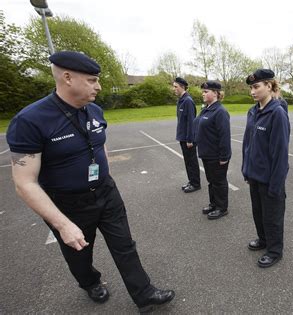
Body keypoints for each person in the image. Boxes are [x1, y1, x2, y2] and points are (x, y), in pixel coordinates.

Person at [6, 51, 174, 312]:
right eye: (92, 80)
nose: (99, 86)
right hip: (67, 204)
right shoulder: (29, 121)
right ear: (68, 77)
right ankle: (89, 282)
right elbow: (24, 183)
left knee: (125, 245)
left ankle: (144, 294)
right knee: (79, 253)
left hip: (106, 192)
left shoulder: (94, 110)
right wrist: (61, 224)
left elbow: (99, 146)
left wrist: (105, 176)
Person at [242, 69, 290, 268]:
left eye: (256, 87)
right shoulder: (253, 111)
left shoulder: (277, 113)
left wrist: (276, 185)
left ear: (269, 86)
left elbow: (280, 153)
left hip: (270, 179)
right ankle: (263, 240)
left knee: (273, 217)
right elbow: (247, 144)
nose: (252, 91)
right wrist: (246, 169)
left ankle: (274, 250)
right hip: (254, 175)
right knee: (258, 213)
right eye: (251, 88)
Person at [193, 81, 231, 220]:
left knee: (219, 181)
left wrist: (224, 156)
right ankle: (213, 203)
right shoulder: (206, 109)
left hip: (216, 155)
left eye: (206, 91)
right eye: (203, 91)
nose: (203, 94)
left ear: (215, 93)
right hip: (207, 153)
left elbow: (224, 136)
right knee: (211, 181)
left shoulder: (220, 111)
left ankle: (222, 207)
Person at [173, 77, 201, 193]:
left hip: (188, 138)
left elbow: (191, 121)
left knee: (192, 161)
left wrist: (190, 139)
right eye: (173, 86)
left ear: (182, 87)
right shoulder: (181, 100)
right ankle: (191, 181)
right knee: (187, 161)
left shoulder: (188, 101)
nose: (174, 89)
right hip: (183, 137)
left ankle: (195, 183)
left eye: (176, 87)